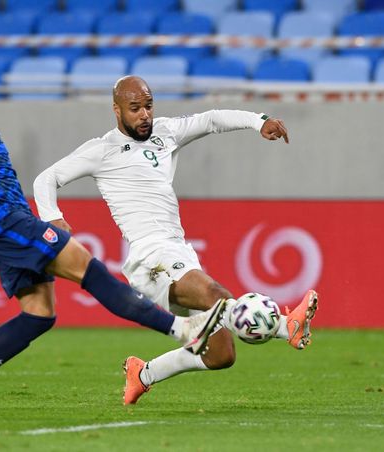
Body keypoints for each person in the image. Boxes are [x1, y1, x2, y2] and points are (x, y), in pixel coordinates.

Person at [0, 16, 226, 418]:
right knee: (90, 270)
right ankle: (184, 331)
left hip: (6, 216)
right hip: (4, 220)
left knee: (39, 314)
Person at [33, 76, 319, 405]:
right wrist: (51, 216)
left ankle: (143, 374)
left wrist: (260, 121)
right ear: (117, 110)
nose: (144, 115)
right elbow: (47, 178)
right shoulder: (102, 150)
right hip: (150, 256)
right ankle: (287, 326)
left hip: (178, 251)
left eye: (149, 106)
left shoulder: (166, 132)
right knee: (216, 295)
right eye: (135, 108)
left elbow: (211, 120)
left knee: (221, 355)